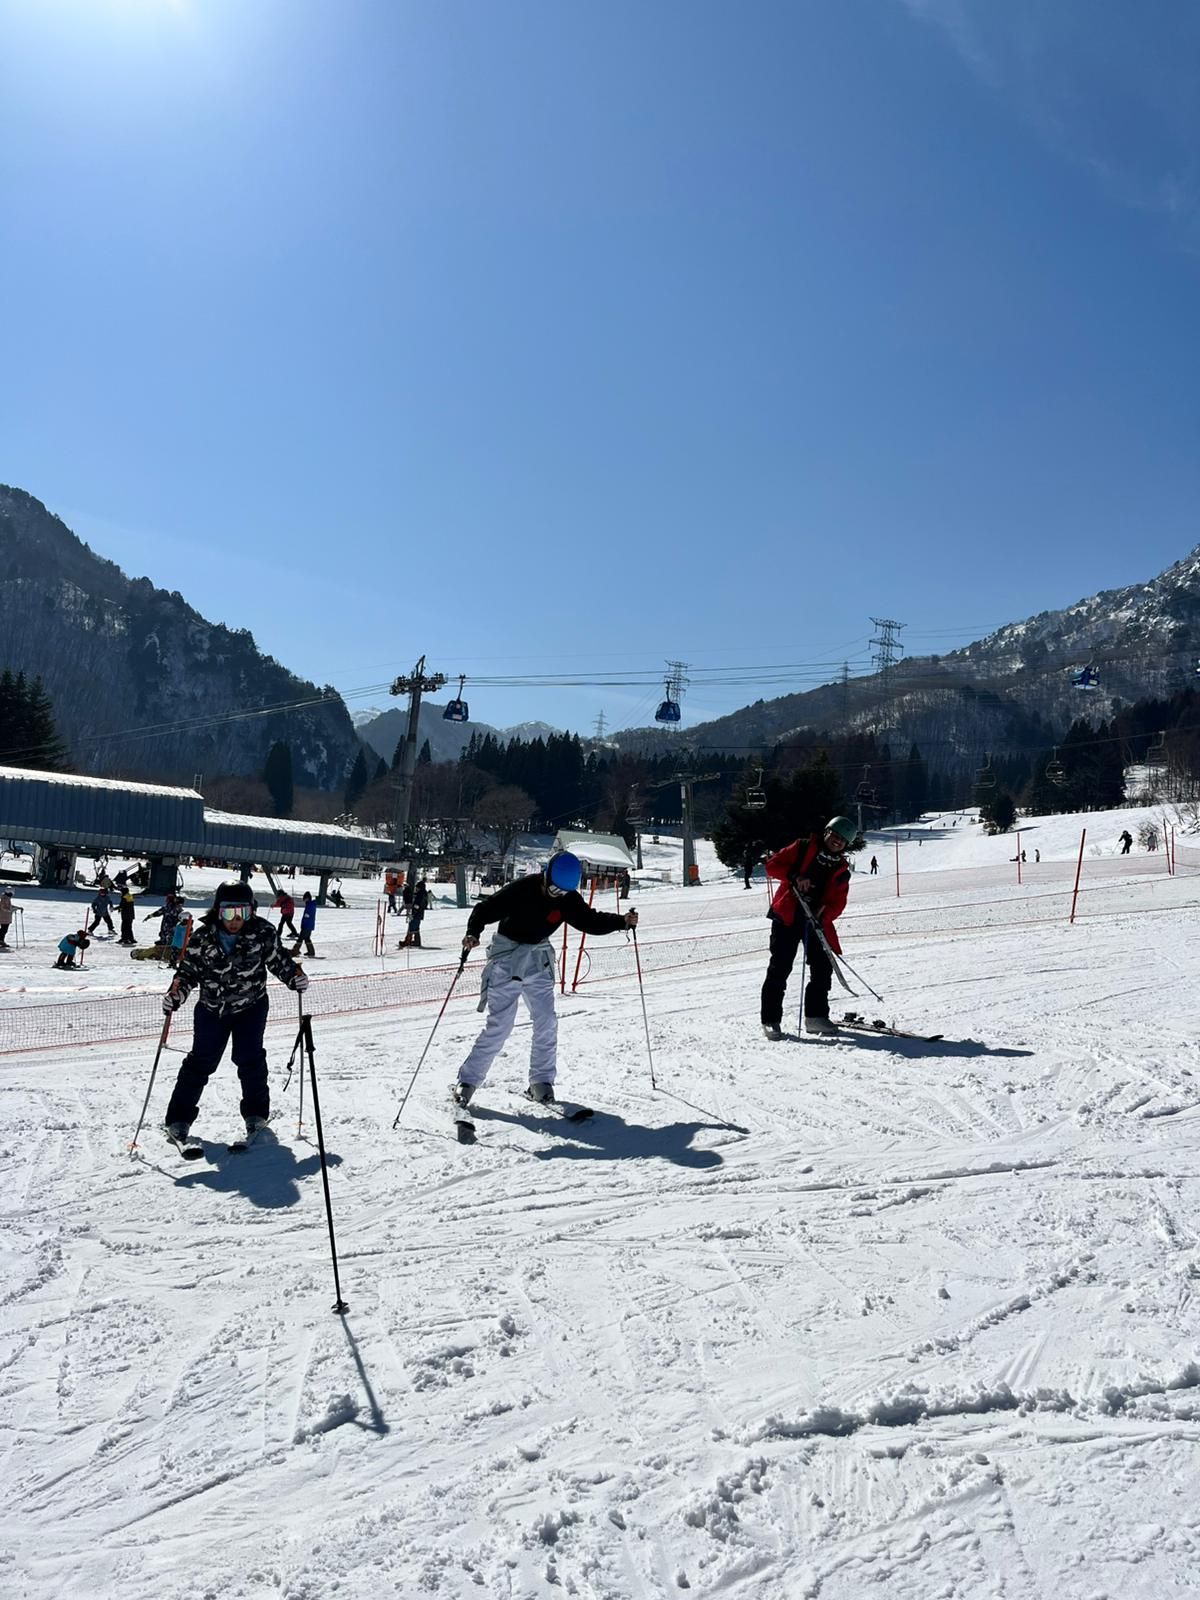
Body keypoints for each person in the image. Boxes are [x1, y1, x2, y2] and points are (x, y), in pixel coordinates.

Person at [452, 852, 637, 1108]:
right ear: (546, 876)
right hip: (507, 958)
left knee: (547, 1021)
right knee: (500, 1025)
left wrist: (622, 922)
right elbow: (485, 909)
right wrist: (473, 932)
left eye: (563, 891)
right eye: (553, 888)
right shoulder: (523, 888)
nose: (556, 894)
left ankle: (541, 1083)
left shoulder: (567, 898)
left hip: (538, 959)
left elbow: (589, 920)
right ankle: (468, 1081)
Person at [160, 881, 308, 1145]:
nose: (235, 920)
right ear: (218, 911)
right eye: (229, 913)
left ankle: (256, 1115)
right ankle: (178, 1119)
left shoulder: (262, 932)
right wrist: (176, 994)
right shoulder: (202, 937)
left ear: (251, 911)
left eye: (242, 913)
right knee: (200, 1062)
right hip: (211, 1010)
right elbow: (188, 972)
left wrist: (294, 977)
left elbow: (279, 961)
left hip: (250, 1008)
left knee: (250, 1060)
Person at [760, 816, 855, 1039]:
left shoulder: (841, 869)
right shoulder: (803, 847)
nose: (837, 841)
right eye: (835, 835)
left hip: (815, 922)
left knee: (822, 968)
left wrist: (825, 912)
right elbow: (772, 866)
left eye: (842, 840)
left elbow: (838, 902)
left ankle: (816, 1017)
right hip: (788, 916)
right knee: (780, 967)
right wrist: (794, 876)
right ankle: (771, 1020)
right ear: (826, 832)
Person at [400, 878, 429, 948]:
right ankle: (416, 941)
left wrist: (413, 913)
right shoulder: (423, 894)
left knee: (412, 927)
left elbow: (417, 905)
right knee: (415, 928)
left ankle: (408, 941)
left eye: (417, 887)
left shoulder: (420, 895)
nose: (416, 889)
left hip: (417, 914)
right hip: (419, 914)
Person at [292, 891, 317, 958]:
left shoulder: (310, 905)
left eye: (304, 899)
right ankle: (311, 951)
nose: (304, 900)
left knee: (300, 938)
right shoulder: (310, 904)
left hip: (307, 925)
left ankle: (295, 950)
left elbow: (308, 915)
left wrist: (304, 921)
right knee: (307, 938)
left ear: (307, 898)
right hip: (309, 925)